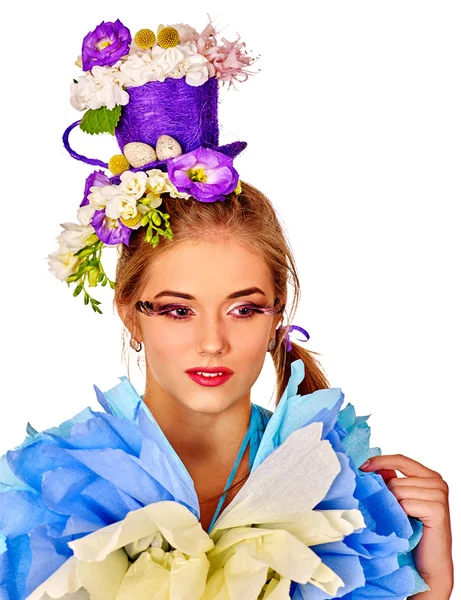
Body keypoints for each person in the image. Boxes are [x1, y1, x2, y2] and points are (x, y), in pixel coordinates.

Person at [0, 17, 453, 600]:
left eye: (243, 309)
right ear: (129, 312)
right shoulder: (43, 497)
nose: (212, 341)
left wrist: (431, 586)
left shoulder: (350, 495)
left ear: (276, 316)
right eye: (176, 310)